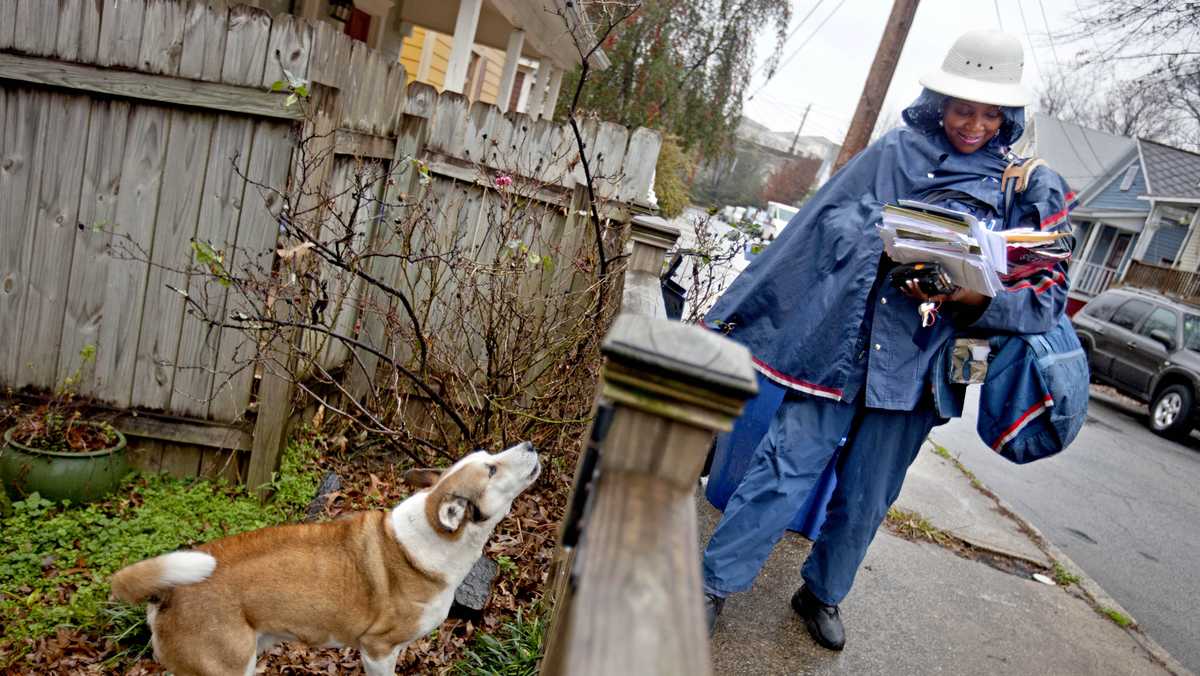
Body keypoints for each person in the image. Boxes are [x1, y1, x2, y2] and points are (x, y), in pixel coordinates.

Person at [700, 29, 1074, 651]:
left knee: (869, 495)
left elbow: (1048, 296)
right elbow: (818, 229)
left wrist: (972, 295)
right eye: (962, 108)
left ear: (1008, 116)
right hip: (841, 350)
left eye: (988, 112)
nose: (973, 124)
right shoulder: (892, 153)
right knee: (781, 470)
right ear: (939, 102)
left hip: (922, 367)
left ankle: (821, 592)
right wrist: (876, 240)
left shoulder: (1024, 187)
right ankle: (711, 584)